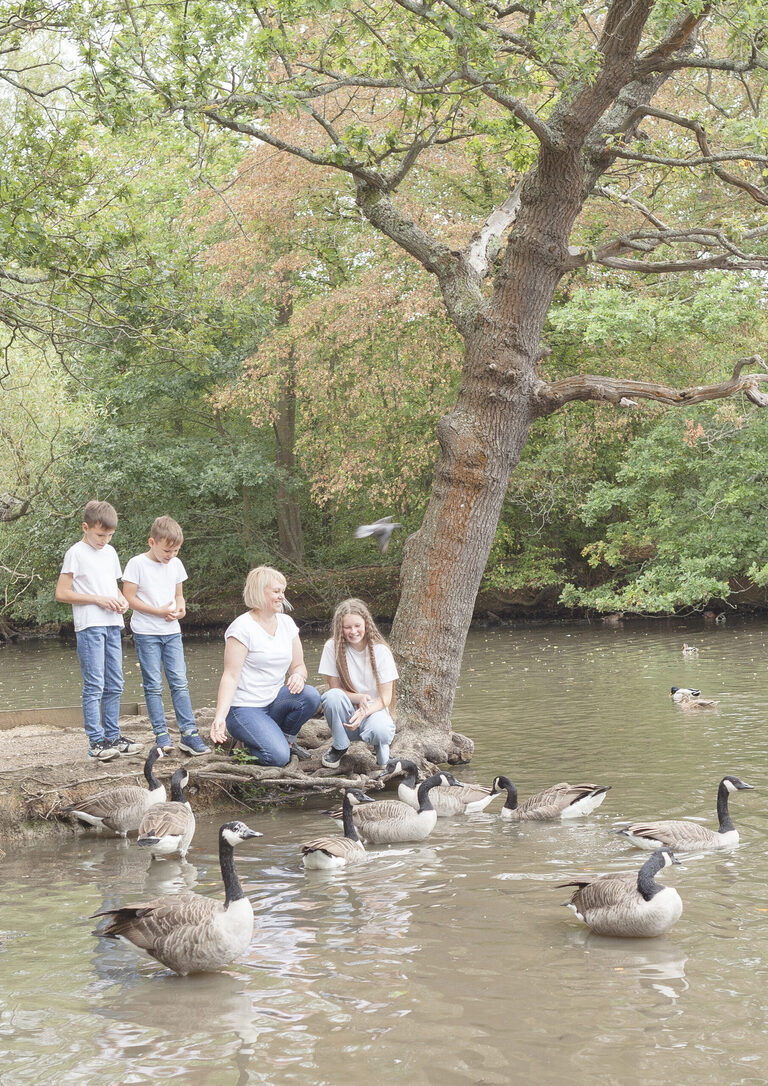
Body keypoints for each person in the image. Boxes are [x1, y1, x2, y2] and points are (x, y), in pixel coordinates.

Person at [55, 500, 142, 761]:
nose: (104, 540)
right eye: (100, 535)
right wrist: (98, 599)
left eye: (109, 535)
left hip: (113, 625)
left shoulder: (111, 552)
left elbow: (111, 586)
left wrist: (121, 600)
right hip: (90, 626)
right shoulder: (76, 553)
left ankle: (113, 736)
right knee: (95, 685)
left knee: (115, 683)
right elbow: (62, 593)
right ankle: (96, 741)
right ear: (86, 527)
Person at [208, 566, 321, 765]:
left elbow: (299, 665)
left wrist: (298, 676)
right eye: (276, 592)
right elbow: (230, 676)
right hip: (245, 708)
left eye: (282, 592)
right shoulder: (242, 628)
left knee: (310, 696)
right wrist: (220, 717)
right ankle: (244, 748)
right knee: (277, 758)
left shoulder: (287, 623)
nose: (281, 597)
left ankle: (286, 741)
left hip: (275, 701)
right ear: (259, 593)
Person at [121, 515, 209, 755]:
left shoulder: (176, 565)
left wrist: (181, 609)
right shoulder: (136, 564)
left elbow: (179, 594)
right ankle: (161, 734)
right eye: (166, 550)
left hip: (172, 632)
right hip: (146, 632)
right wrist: (157, 611)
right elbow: (128, 598)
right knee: (153, 685)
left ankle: (189, 733)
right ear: (152, 542)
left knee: (180, 682)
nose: (171, 555)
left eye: (176, 551)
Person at [319, 598, 398, 769]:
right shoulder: (331, 647)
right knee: (331, 696)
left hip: (375, 710)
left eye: (357, 626)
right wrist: (359, 697)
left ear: (366, 624)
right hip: (346, 712)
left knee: (380, 732)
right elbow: (335, 689)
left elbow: (385, 697)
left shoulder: (381, 651)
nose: (353, 631)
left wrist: (364, 712)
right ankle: (340, 745)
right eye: (347, 627)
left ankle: (381, 745)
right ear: (340, 628)